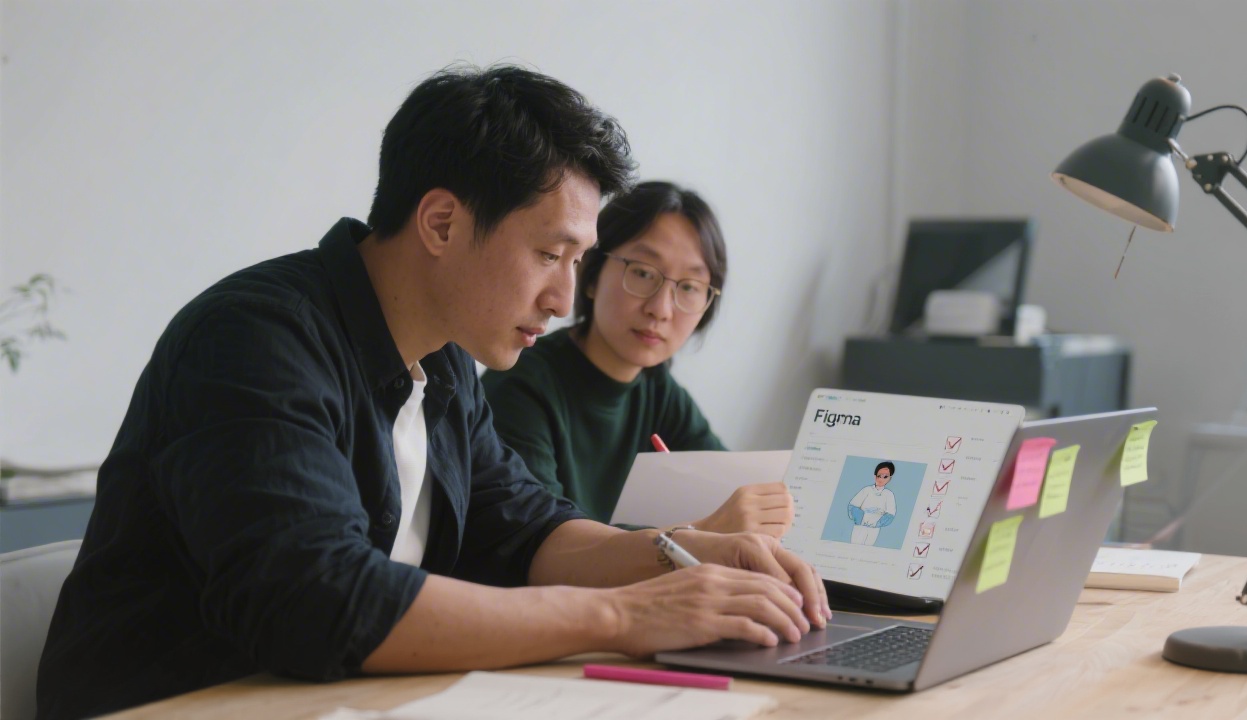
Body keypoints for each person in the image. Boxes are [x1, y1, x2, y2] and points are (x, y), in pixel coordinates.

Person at [35, 65, 829, 720]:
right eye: (551, 255)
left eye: (579, 262)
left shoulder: (446, 364)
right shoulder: (254, 339)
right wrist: (629, 617)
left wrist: (680, 553)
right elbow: (319, 600)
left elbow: (525, 530)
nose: (564, 299)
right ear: (442, 224)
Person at [481, 181, 793, 536]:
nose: (660, 309)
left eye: (689, 287)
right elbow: (541, 544)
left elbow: (738, 493)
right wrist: (700, 533)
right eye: (643, 273)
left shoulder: (658, 391)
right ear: (591, 274)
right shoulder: (522, 385)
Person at [848, 461, 897, 545]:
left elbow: (890, 514)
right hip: (860, 526)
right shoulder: (867, 490)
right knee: (854, 546)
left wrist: (876, 524)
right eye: (879, 476)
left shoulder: (889, 495)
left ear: (890, 478)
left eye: (885, 477)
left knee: (868, 549)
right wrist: (860, 521)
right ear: (875, 476)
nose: (881, 479)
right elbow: (853, 506)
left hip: (874, 529)